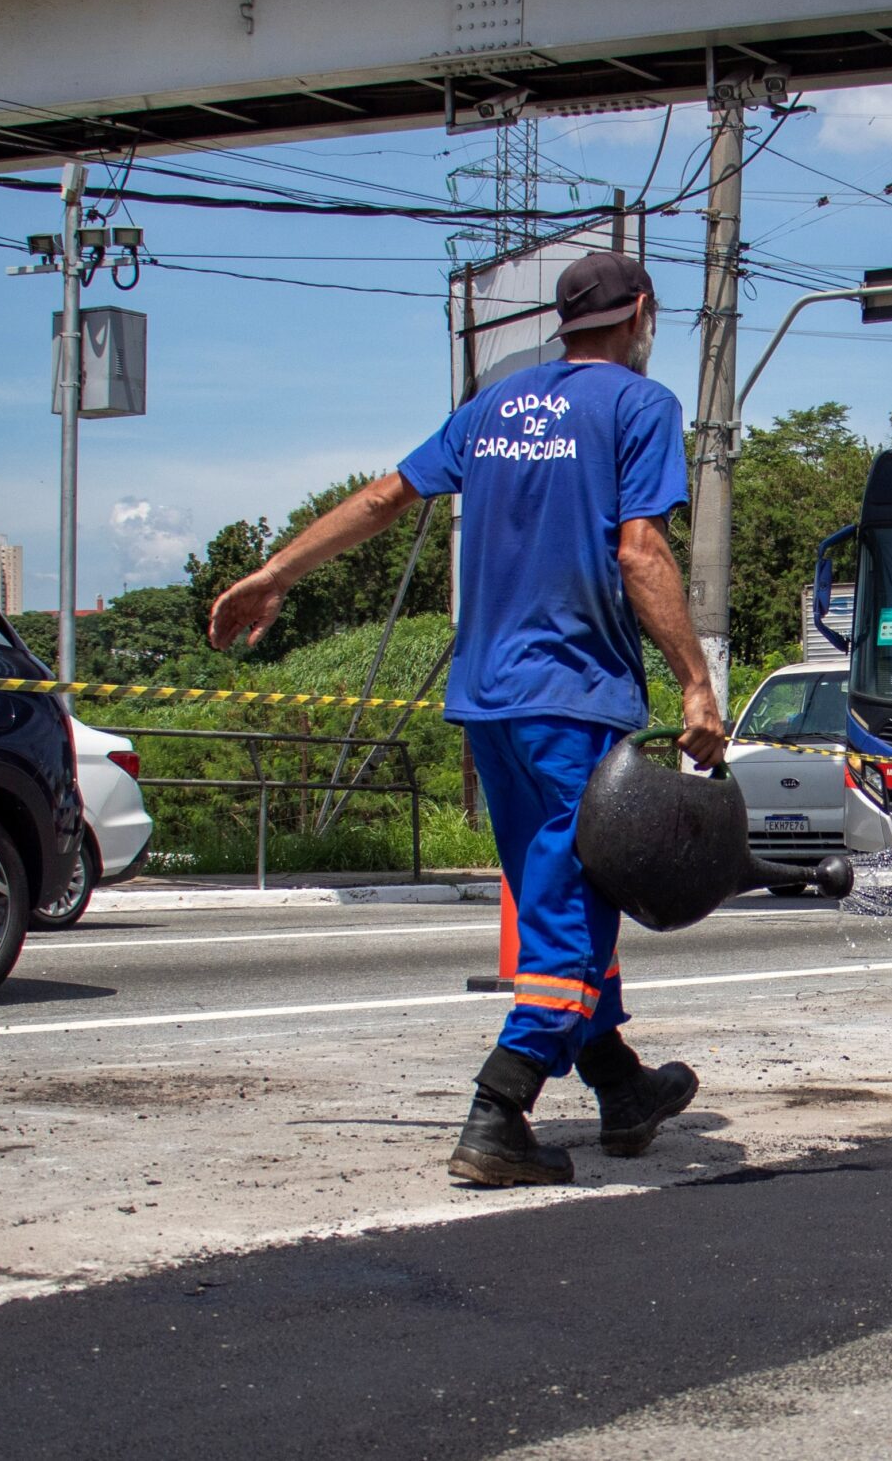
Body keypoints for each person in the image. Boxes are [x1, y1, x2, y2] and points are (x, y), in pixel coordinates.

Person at [208, 250, 727, 1185]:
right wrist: (695, 679)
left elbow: (384, 497)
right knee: (574, 913)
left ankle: (620, 1086)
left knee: (552, 895)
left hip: (488, 698)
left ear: (565, 324)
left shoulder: (493, 408)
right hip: (574, 692)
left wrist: (276, 573)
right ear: (641, 313)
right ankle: (499, 1108)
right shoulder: (640, 406)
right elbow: (641, 550)